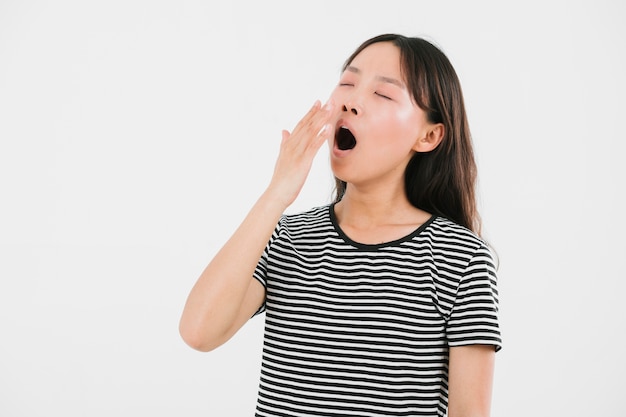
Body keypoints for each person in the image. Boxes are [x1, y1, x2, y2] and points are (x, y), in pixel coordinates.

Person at [179, 33, 502, 417]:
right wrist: (276, 196)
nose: (350, 100)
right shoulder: (288, 237)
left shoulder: (461, 257)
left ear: (429, 135)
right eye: (347, 83)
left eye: (383, 94)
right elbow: (198, 332)